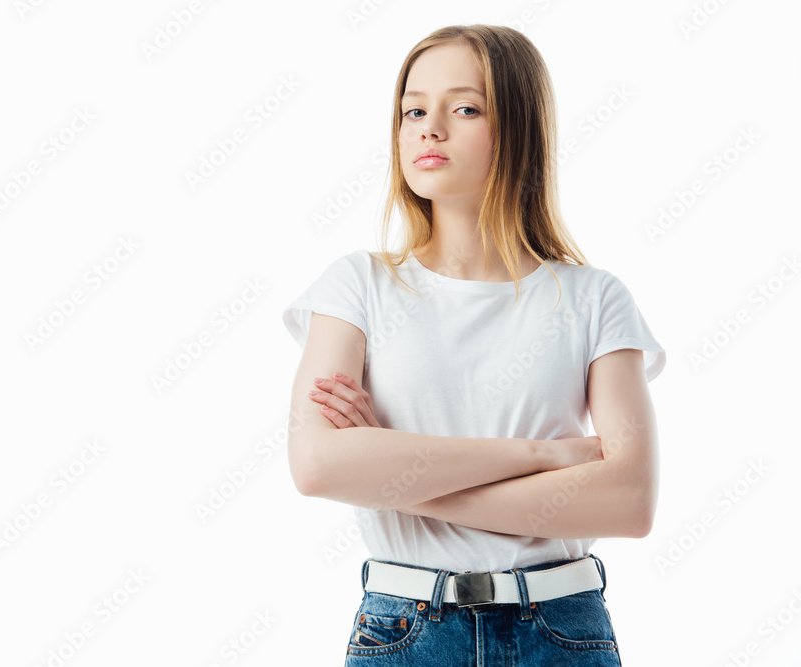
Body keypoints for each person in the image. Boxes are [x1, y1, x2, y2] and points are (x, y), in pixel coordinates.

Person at [281, 24, 665, 666]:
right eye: (413, 110)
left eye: (464, 108)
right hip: (405, 633)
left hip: (563, 631)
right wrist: (544, 454)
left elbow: (629, 502)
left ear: (519, 129)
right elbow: (319, 467)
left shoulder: (595, 298)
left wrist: (394, 478)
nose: (428, 128)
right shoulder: (358, 285)